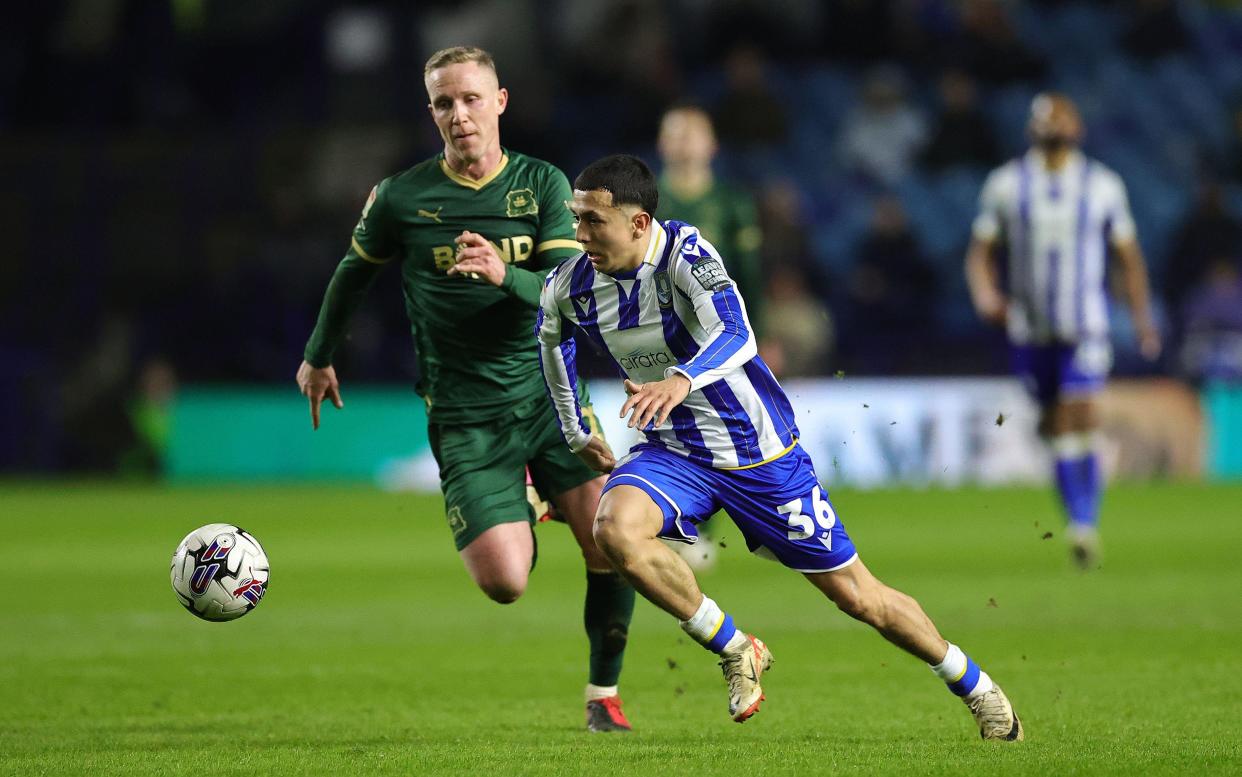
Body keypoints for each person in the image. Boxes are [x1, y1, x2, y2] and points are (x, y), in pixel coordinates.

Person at [537, 153, 1024, 741]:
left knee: (859, 599)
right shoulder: (571, 283)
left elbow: (736, 333)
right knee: (613, 529)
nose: (579, 234)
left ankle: (974, 685)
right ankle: (736, 647)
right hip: (676, 452)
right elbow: (552, 341)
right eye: (576, 218)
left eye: (593, 221)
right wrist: (575, 429)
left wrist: (682, 379)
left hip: (760, 455)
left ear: (638, 224)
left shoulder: (685, 255)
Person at [295, 47, 637, 733]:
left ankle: (603, 695)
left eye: (472, 99)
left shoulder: (542, 186)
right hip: (464, 415)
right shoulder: (402, 197)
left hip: (550, 399)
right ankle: (524, 502)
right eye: (445, 103)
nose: (460, 115)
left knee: (612, 542)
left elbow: (573, 294)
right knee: (505, 583)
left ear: (500, 102)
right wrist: (318, 356)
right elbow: (352, 273)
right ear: (431, 112)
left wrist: (503, 277)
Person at [965, 93, 1161, 569]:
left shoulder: (1102, 185)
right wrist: (985, 295)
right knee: (1056, 426)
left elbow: (1128, 257)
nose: (1055, 127)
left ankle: (1082, 524)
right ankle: (1079, 515)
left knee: (1079, 413)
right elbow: (980, 252)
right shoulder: (1008, 184)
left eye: (1062, 118)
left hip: (1084, 326)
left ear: (1077, 127)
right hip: (1030, 329)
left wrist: (1141, 318)